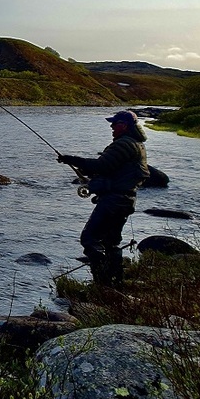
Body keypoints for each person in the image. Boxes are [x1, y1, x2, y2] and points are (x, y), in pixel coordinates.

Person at [57, 110, 150, 286]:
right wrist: (86, 170)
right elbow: (111, 169)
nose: (112, 126)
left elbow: (102, 165)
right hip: (125, 200)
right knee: (111, 242)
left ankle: (102, 282)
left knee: (90, 238)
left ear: (124, 125)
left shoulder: (124, 144)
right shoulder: (136, 144)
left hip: (113, 201)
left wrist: (72, 159)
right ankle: (116, 281)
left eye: (115, 123)